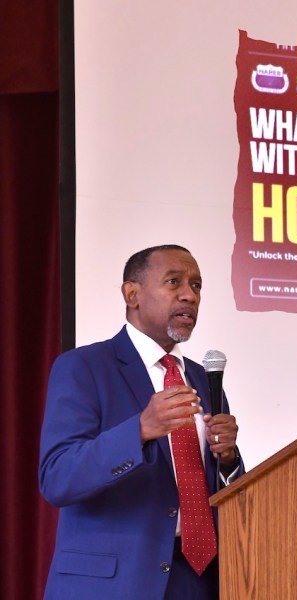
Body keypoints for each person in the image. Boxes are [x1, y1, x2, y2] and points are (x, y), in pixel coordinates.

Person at [39, 244, 243, 600]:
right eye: (173, 282)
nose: (189, 296)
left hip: (199, 580)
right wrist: (140, 430)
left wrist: (228, 460)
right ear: (132, 294)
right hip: (113, 584)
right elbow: (57, 478)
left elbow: (216, 488)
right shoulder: (84, 367)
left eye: (196, 286)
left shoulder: (202, 378)